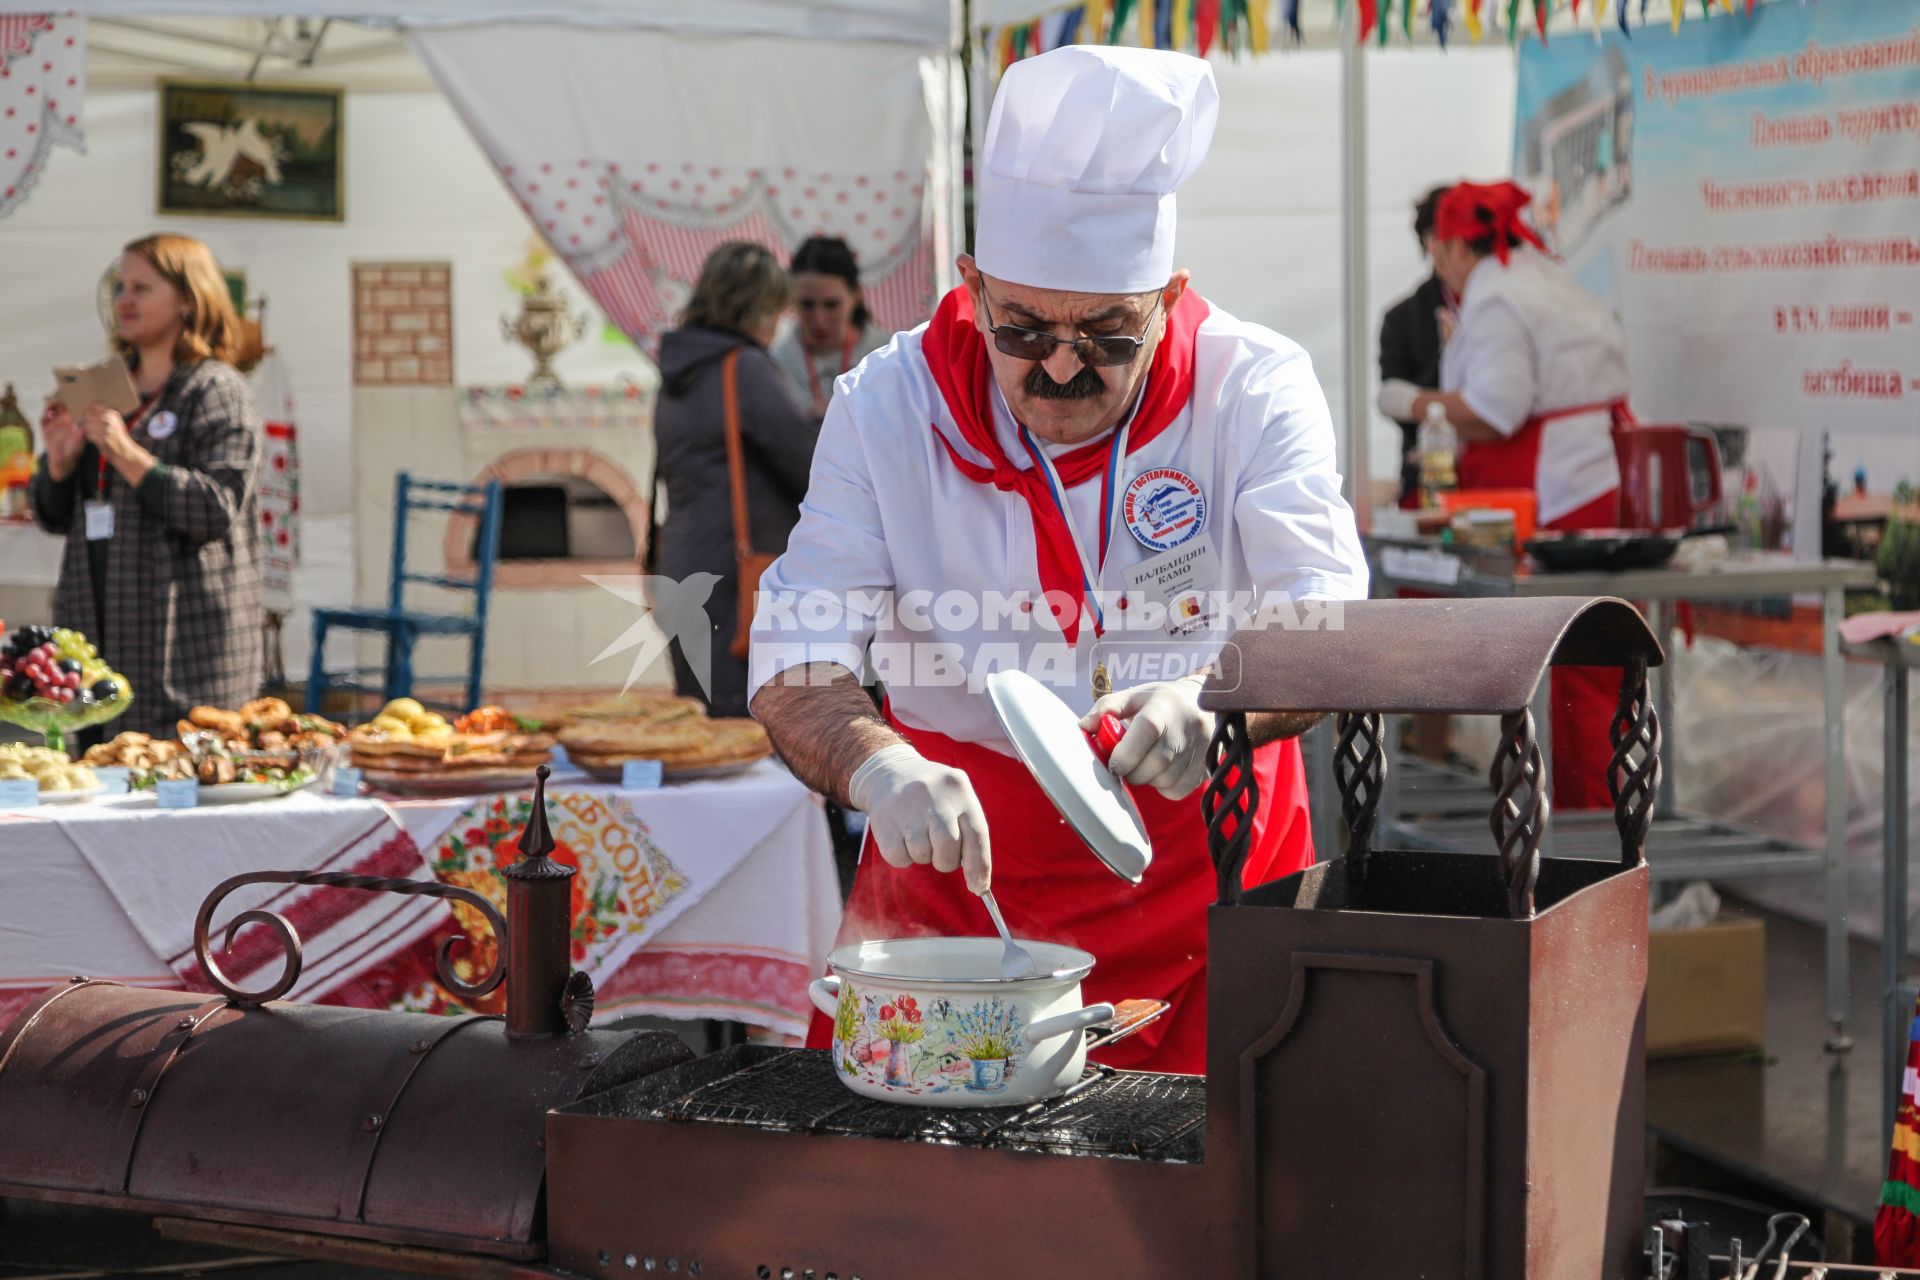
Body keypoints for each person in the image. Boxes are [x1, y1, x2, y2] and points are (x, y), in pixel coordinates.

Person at [749, 46, 1369, 1075]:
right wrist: (880, 764)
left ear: (1169, 297)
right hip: (961, 868)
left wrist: (1217, 704)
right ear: (973, 286)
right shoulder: (886, 406)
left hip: (1213, 857)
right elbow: (794, 653)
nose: (1065, 363)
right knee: (928, 1208)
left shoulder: (1254, 387)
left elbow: (1326, 613)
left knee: (1230, 1199)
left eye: (1110, 334)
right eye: (1024, 327)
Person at [1378, 179, 1632, 808]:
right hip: (1590, 480)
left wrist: (1412, 401)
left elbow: (1497, 408)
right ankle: (1601, 828)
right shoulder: (1539, 277)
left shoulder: (1495, 298)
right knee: (1591, 662)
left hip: (1554, 490)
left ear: (1455, 247)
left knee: (1570, 668)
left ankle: (1586, 840)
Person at [29, 233, 263, 738]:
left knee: (180, 795)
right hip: (98, 643)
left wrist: (128, 453)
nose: (125, 301)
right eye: (120, 288)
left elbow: (214, 509)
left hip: (184, 654)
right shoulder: (103, 387)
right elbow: (52, 516)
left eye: (142, 288)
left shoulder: (217, 390)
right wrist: (60, 465)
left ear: (187, 298)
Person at [652, 241, 820, 719]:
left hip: (683, 569)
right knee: (749, 732)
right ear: (759, 306)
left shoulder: (676, 374)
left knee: (704, 730)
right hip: (734, 582)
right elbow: (807, 465)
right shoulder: (742, 367)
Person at [1377, 186, 1456, 508]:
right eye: (1438, 238)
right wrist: (1450, 354)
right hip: (1427, 476)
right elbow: (1393, 398)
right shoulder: (1401, 318)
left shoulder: (1502, 304)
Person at [769, 236, 889, 422]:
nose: (820, 320)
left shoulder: (886, 356)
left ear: (856, 295)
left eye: (832, 305)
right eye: (807, 305)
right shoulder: (775, 364)